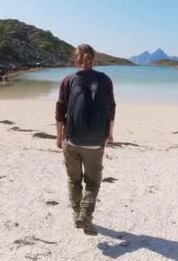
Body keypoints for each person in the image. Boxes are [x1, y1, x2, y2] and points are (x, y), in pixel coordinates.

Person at [55, 44, 116, 235]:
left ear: (78, 58)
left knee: (74, 181)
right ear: (93, 58)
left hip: (71, 140)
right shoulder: (105, 80)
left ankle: (77, 214)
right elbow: (111, 110)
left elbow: (60, 112)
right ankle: (85, 215)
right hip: (95, 142)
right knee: (92, 183)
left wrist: (59, 137)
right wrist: (110, 133)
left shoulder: (67, 80)